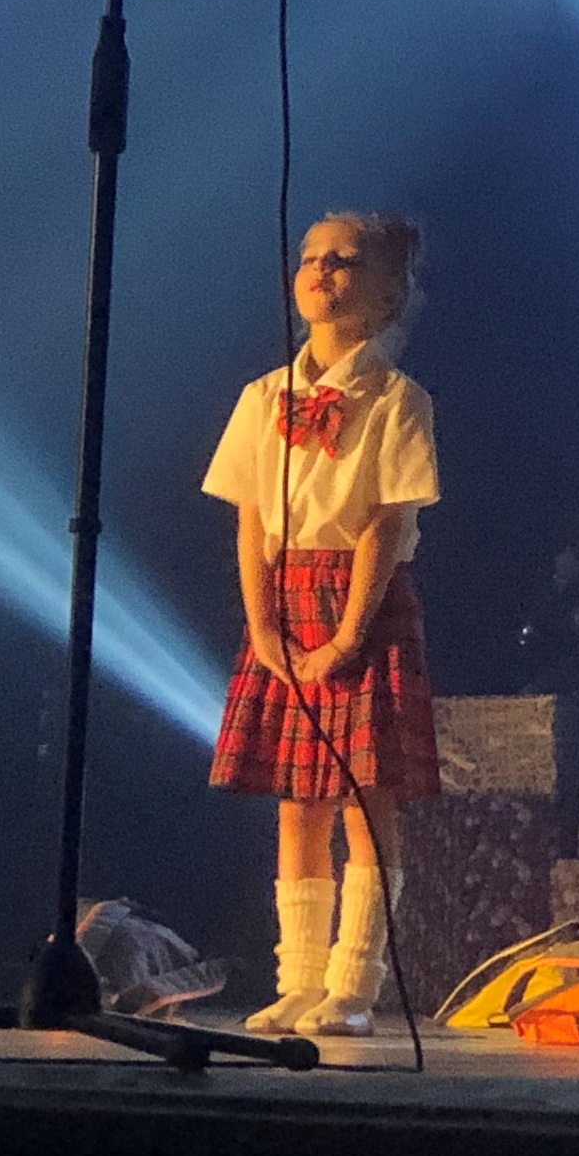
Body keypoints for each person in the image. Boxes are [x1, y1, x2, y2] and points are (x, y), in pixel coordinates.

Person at [205, 213, 442, 1040]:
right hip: (284, 597)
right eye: (310, 257)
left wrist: (346, 635)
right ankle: (298, 978)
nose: (321, 269)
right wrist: (262, 626)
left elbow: (383, 521)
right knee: (296, 802)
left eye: (344, 260)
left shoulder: (397, 399)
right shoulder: (263, 396)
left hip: (358, 601)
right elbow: (250, 521)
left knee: (361, 796)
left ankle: (353, 984)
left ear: (386, 292)